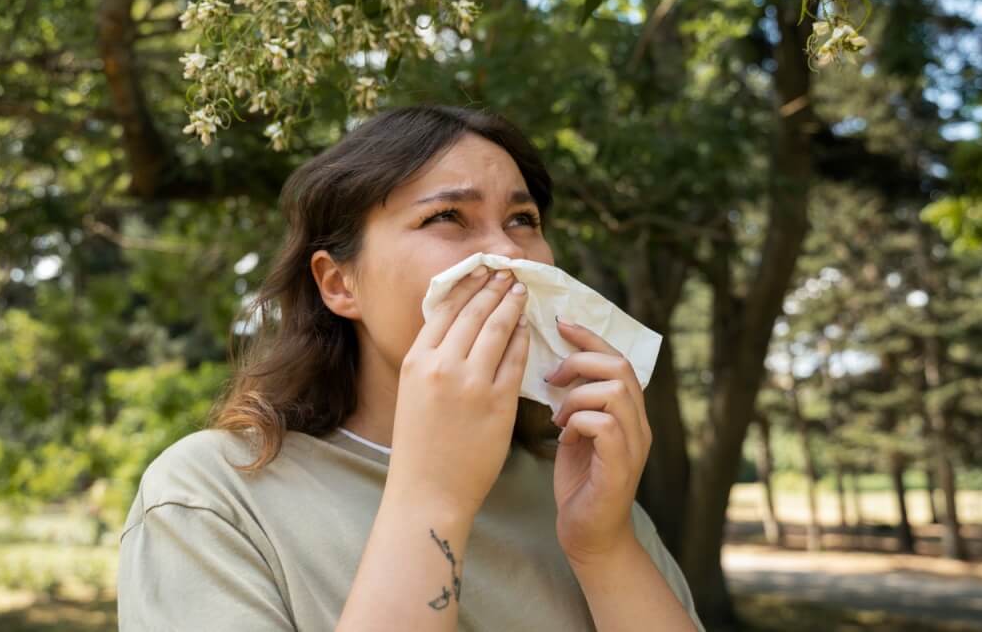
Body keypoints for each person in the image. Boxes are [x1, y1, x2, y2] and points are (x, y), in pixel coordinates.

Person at [117, 105, 704, 631]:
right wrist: (433, 495)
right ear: (338, 283)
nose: (508, 252)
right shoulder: (213, 495)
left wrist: (602, 547)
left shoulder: (577, 489)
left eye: (522, 220)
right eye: (448, 216)